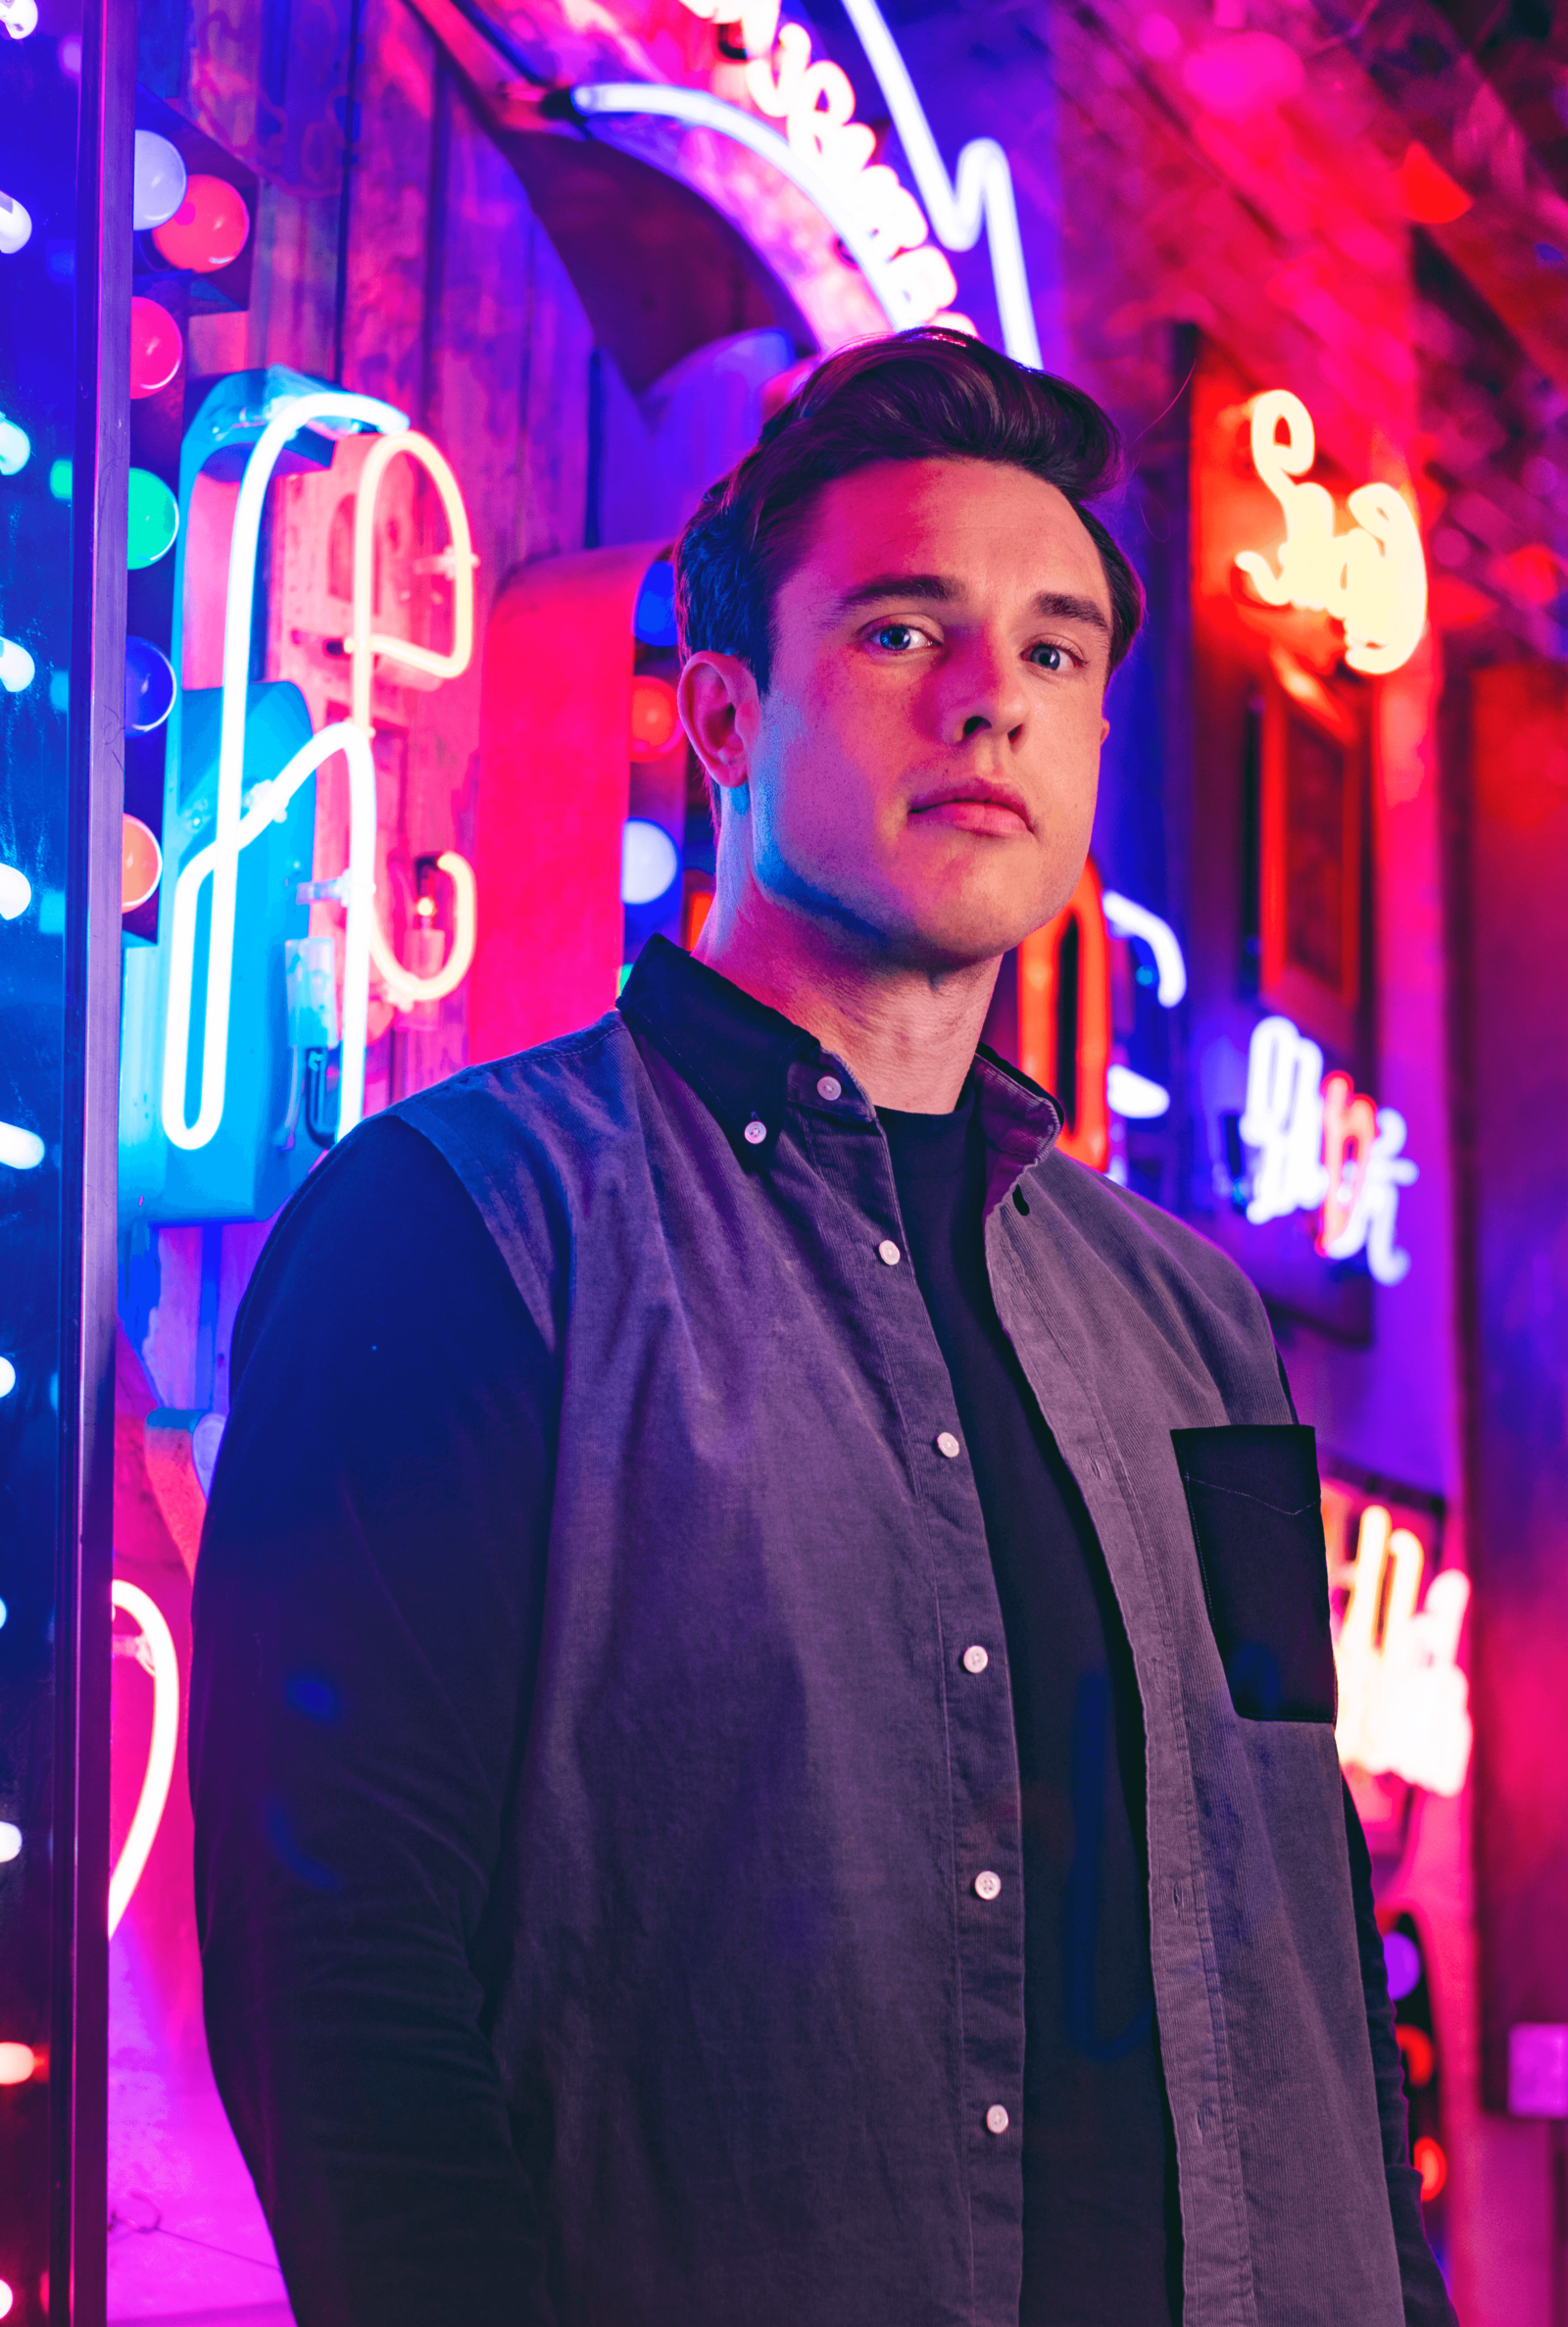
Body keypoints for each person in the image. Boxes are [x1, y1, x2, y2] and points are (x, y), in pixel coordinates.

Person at [190, 328, 1455, 2327]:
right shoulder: (456, 1227)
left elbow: (1305, 1897)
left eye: (1055, 654)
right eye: (898, 631)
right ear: (718, 712)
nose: (992, 702)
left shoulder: (1207, 1325)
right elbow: (335, 1988)